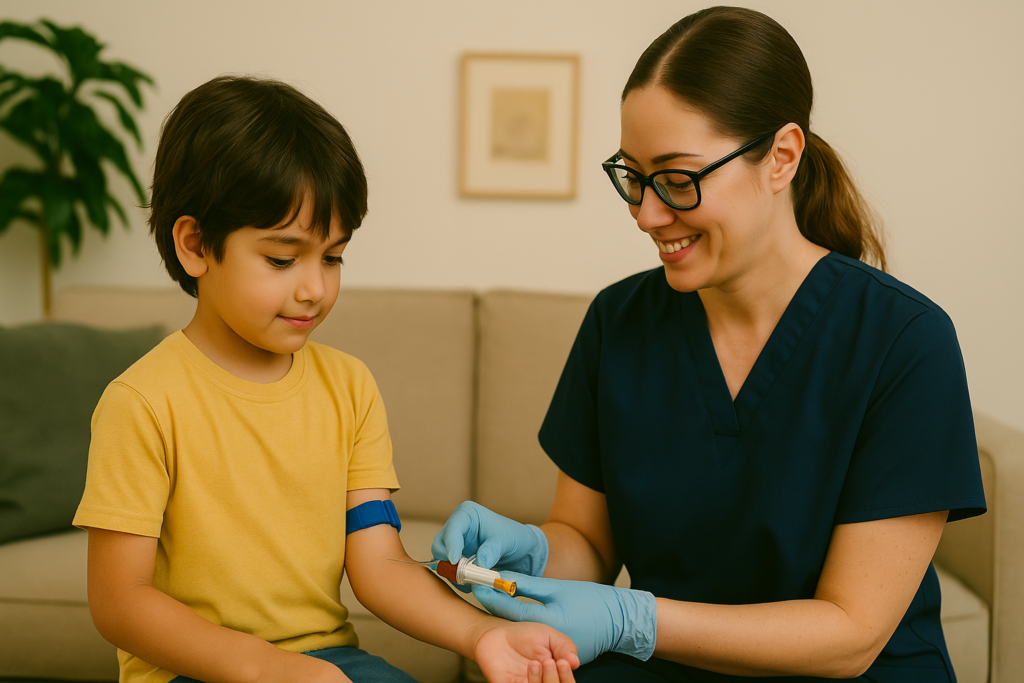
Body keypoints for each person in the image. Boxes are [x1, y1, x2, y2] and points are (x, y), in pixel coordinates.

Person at [432, 7, 986, 682]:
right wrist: (532, 553)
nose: (646, 213)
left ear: (781, 156)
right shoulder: (619, 321)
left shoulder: (903, 341)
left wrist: (633, 617)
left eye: (677, 178)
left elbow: (851, 633)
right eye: (633, 176)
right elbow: (589, 543)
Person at [74, 75, 579, 683]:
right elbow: (120, 600)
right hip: (198, 672)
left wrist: (486, 635)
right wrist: (267, 669)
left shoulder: (350, 387)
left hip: (331, 663)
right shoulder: (141, 402)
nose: (315, 287)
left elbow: (380, 567)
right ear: (195, 244)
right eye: (283, 259)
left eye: (333, 256)